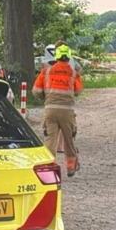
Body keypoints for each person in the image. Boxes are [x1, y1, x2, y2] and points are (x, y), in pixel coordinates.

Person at [33, 44, 83, 177]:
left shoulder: (47, 72)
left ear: (57, 56)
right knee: (69, 139)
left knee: (50, 139)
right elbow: (78, 91)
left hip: (50, 110)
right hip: (67, 111)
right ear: (69, 57)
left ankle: (48, 168)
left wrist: (45, 97)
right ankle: (71, 168)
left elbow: (36, 91)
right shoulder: (73, 73)